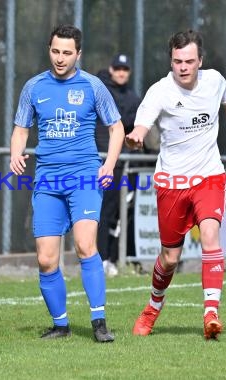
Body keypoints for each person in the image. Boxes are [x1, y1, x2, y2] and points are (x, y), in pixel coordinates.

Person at [125, 29, 226, 340]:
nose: (182, 67)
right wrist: (138, 134)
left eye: (189, 61)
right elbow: (143, 122)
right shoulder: (160, 91)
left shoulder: (215, 81)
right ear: (171, 61)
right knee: (170, 258)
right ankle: (153, 306)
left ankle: (211, 312)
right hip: (172, 182)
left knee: (210, 234)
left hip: (209, 175)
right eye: (177, 61)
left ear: (200, 61)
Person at [9, 24, 125, 342]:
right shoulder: (33, 87)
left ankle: (99, 322)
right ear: (50, 50)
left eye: (67, 53)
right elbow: (21, 129)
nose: (60, 59)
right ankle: (60, 325)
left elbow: (117, 129)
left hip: (85, 175)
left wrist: (109, 165)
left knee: (86, 245)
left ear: (78, 54)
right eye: (55, 51)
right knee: (46, 259)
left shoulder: (93, 86)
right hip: (47, 179)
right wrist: (15, 154)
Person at [95, 53, 142, 277]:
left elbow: (138, 129)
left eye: (125, 69)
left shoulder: (132, 98)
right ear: (111, 69)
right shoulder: (98, 90)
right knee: (102, 212)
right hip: (101, 161)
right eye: (117, 68)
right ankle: (101, 258)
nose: (121, 72)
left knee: (120, 213)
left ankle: (112, 258)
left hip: (124, 163)